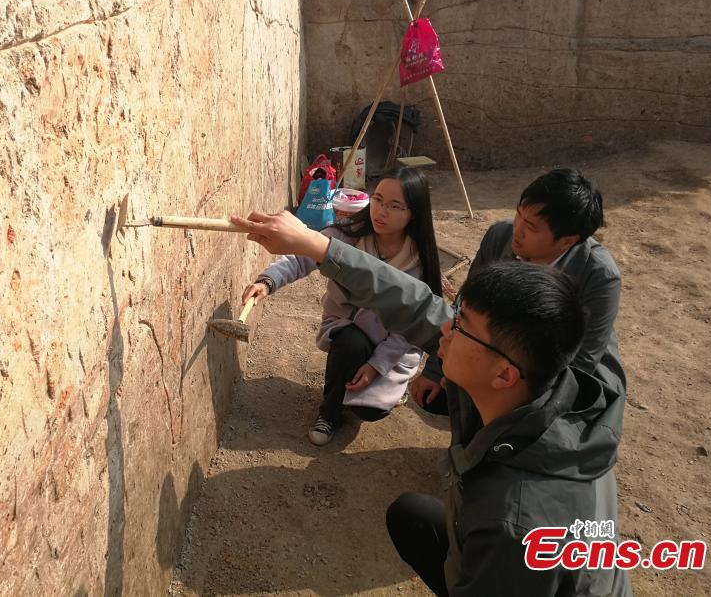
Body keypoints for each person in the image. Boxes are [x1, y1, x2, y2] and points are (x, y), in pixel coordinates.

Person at [230, 210, 631, 596]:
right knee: (411, 516)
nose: (444, 327)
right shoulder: (547, 382)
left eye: (461, 326)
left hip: (514, 564)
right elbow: (416, 303)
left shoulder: (513, 523)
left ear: (504, 374)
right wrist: (316, 245)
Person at [241, 167, 443, 446]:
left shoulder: (419, 263)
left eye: (395, 206)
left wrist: (375, 366)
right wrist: (268, 281)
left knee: (368, 411)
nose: (381, 212)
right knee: (350, 342)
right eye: (378, 200)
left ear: (414, 214)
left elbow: (407, 332)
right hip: (347, 329)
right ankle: (329, 413)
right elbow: (301, 257)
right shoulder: (348, 236)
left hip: (391, 346)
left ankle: (384, 390)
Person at [411, 167, 622, 414]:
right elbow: (466, 305)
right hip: (500, 349)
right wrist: (437, 369)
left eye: (531, 227)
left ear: (567, 241)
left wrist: (510, 394)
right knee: (445, 397)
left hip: (547, 371)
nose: (517, 229)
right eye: (519, 214)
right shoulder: (499, 237)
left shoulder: (598, 276)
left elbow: (582, 360)